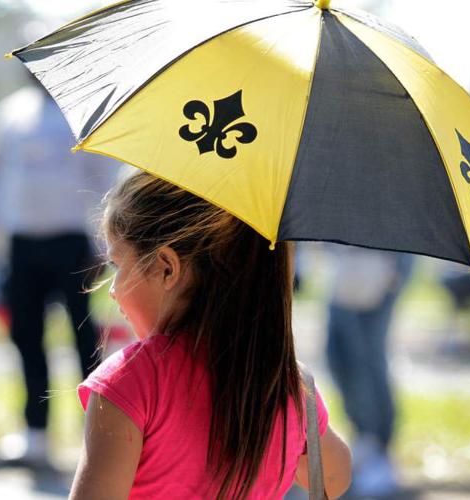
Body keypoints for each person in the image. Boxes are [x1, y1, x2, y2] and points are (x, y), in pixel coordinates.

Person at [70, 171, 352, 499]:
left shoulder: (130, 381)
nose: (113, 290)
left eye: (118, 265)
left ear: (166, 267)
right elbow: (335, 478)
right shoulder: (283, 382)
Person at [0, 81, 120, 466]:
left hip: (71, 242)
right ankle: (35, 432)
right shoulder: (9, 113)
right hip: (21, 240)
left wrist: (103, 245)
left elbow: (103, 178)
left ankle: (101, 434)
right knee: (26, 334)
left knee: (82, 336)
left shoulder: (82, 111)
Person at [325, 247, 413, 497]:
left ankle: (377, 449)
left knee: (366, 358)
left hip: (383, 249)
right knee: (338, 355)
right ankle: (366, 441)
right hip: (350, 253)